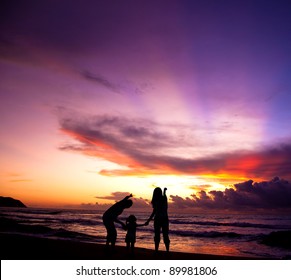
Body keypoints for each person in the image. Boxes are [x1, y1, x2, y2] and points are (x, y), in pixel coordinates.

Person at [145, 187, 170, 252]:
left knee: (159, 235)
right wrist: (148, 220)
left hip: (160, 219)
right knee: (163, 235)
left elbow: (154, 212)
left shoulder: (161, 199)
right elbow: (154, 211)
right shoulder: (159, 200)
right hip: (162, 219)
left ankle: (159, 250)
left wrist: (164, 191)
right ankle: (164, 250)